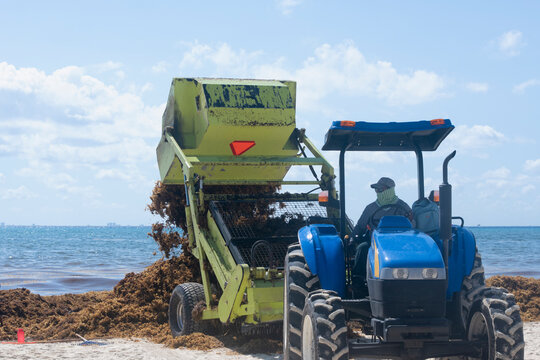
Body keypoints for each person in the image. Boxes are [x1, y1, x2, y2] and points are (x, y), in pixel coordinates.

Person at [351, 177, 412, 294]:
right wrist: (353, 238)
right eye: (376, 190)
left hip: (399, 243)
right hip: (375, 244)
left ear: (390, 190)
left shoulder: (403, 207)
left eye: (380, 189)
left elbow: (412, 226)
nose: (378, 192)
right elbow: (360, 226)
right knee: (362, 248)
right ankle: (358, 282)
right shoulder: (370, 208)